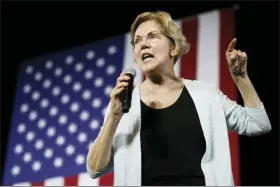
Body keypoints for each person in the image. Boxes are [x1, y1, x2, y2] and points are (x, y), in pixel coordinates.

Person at [86, 11, 271, 186]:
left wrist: (240, 78)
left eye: (152, 36)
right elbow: (94, 169)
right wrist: (114, 117)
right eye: (137, 40)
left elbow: (258, 124)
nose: (143, 44)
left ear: (173, 47)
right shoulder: (123, 103)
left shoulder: (205, 95)